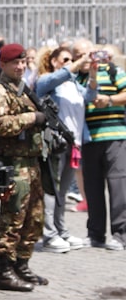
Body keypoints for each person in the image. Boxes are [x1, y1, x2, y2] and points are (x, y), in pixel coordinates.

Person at [0, 43, 48, 291]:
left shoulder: (22, 89)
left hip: (31, 163)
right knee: (13, 219)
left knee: (34, 218)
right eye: (15, 64)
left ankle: (22, 265)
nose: (20, 67)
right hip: (13, 165)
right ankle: (5, 272)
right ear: (3, 65)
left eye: (23, 63)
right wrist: (31, 118)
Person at [33, 46, 94, 253]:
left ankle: (61, 230)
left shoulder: (74, 84)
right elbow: (45, 84)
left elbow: (91, 96)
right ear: (54, 62)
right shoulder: (47, 80)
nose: (70, 62)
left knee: (63, 190)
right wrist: (76, 63)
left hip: (74, 142)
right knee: (51, 189)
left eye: (71, 59)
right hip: (56, 142)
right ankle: (49, 235)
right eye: (65, 59)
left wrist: (93, 72)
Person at [72, 39, 126, 251]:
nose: (84, 58)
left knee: (118, 185)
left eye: (87, 53)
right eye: (77, 55)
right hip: (88, 138)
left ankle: (121, 234)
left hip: (115, 136)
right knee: (92, 188)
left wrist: (110, 100)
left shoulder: (113, 71)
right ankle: (95, 233)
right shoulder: (77, 78)